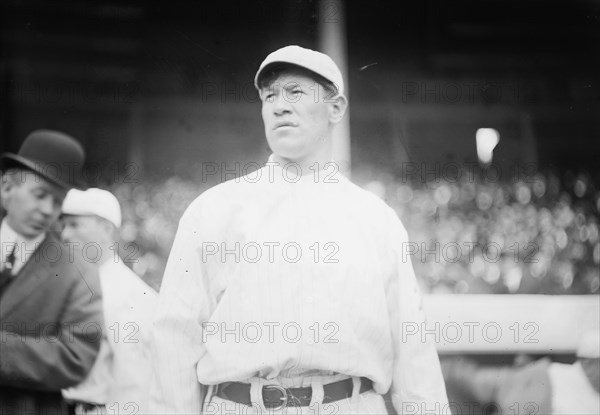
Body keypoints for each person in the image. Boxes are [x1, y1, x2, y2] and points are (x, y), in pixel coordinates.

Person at [150, 45, 448, 414]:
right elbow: (175, 338)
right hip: (242, 403)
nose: (279, 105)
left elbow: (412, 349)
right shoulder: (213, 210)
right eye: (269, 95)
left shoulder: (376, 218)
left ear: (335, 107)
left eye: (295, 92)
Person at [0, 130, 103, 414]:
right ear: (7, 187)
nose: (48, 210)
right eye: (40, 195)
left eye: (58, 202)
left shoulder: (77, 270)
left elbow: (77, 355)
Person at [60, 188, 158, 415]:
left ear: (106, 230)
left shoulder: (129, 295)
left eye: (75, 225)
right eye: (63, 225)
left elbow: (134, 385)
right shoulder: (76, 285)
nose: (64, 235)